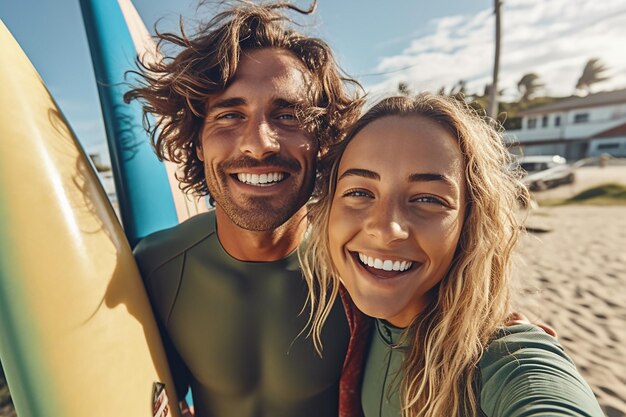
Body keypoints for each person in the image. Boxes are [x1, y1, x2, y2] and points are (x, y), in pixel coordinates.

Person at [124, 2, 366, 416]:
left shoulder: (361, 267)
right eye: (230, 115)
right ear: (197, 143)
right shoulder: (156, 266)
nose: (259, 143)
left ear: (323, 140)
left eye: (288, 115)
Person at [300, 94, 604, 417]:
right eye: (360, 192)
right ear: (327, 210)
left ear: (469, 222)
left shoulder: (503, 357)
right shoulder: (350, 317)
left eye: (428, 199)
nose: (387, 229)